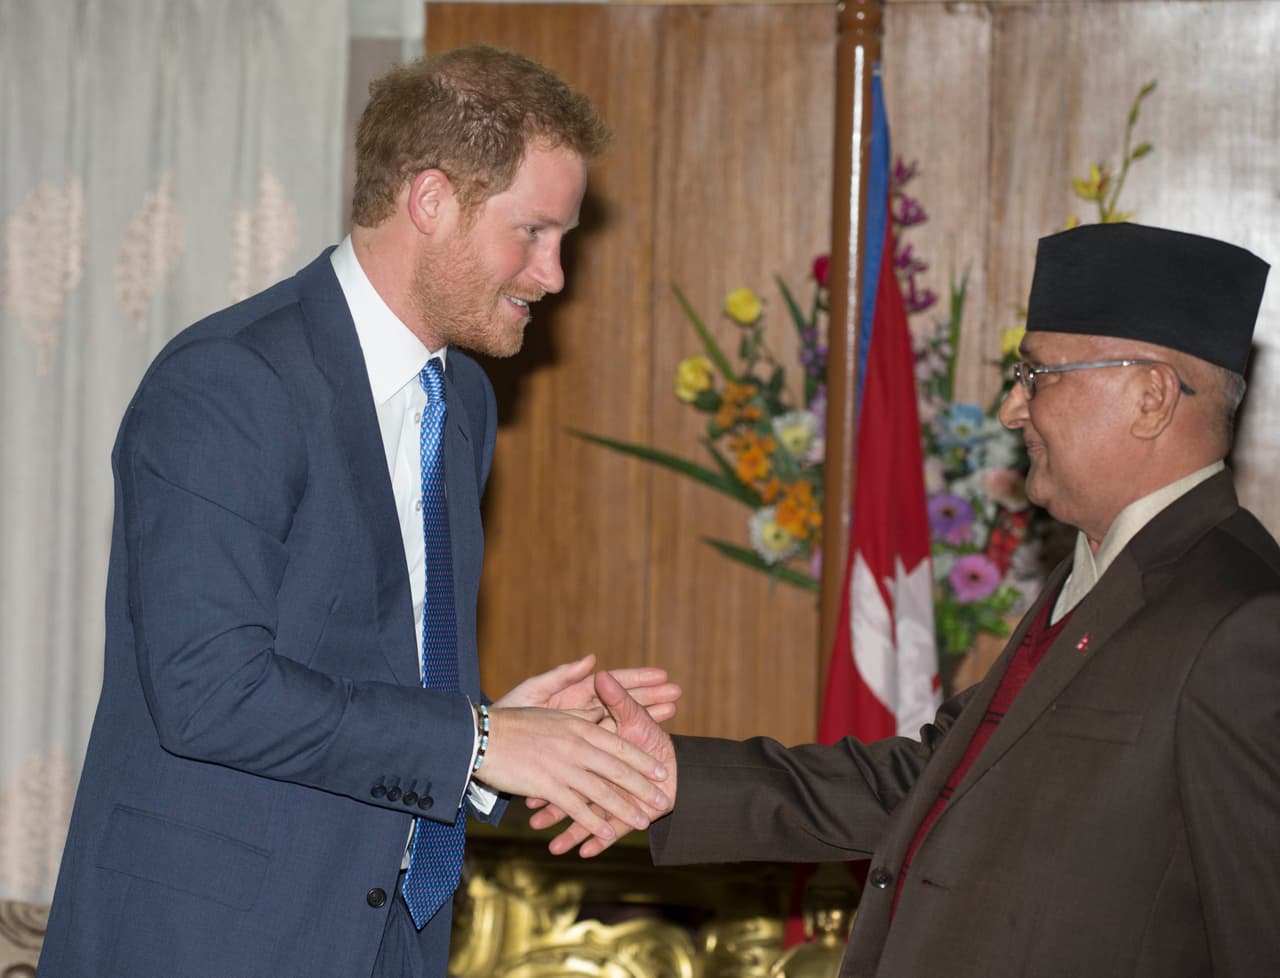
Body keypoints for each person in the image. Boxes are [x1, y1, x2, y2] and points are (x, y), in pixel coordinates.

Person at [38, 45, 677, 978]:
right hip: (204, 945)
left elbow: (363, 676)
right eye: (534, 233)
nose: (554, 276)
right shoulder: (229, 383)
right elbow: (210, 695)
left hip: (390, 944)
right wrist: (481, 742)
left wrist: (495, 734)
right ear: (431, 201)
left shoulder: (464, 403)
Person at [546, 222, 1280, 977]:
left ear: (1150, 397)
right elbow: (930, 781)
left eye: (1037, 376)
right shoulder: (1101, 569)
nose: (1011, 410)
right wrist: (674, 777)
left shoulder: (1244, 620)